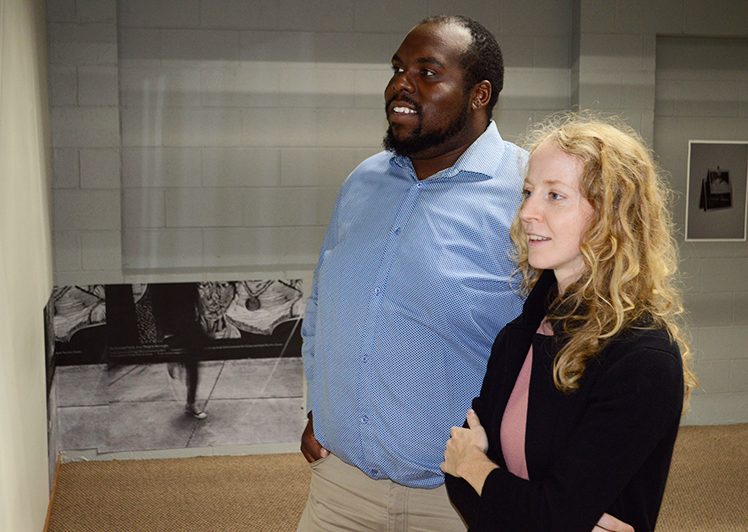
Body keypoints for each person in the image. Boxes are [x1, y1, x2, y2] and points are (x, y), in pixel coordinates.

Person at [297, 15, 528, 531]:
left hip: (458, 502)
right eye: (398, 69)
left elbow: (564, 348)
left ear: (479, 94)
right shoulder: (363, 181)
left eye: (427, 72)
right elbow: (322, 307)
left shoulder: (526, 194)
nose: (400, 85)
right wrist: (318, 405)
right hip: (339, 487)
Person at [441, 112, 698, 532]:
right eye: (528, 192)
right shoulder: (519, 335)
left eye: (555, 196)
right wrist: (477, 475)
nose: (527, 212)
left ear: (612, 217)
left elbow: (547, 511)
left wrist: (478, 468)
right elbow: (458, 478)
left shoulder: (644, 360)